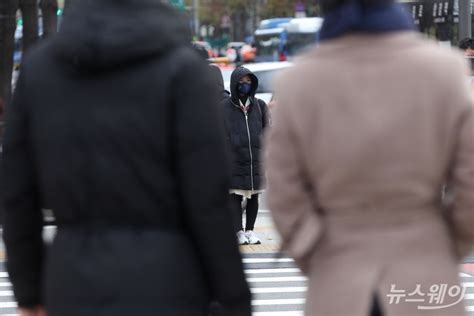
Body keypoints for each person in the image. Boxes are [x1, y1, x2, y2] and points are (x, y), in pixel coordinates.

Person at [1, 1, 251, 316]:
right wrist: (234, 298)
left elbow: (17, 195)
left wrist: (27, 292)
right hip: (169, 283)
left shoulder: (40, 71)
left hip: (72, 283)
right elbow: (210, 200)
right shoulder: (183, 71)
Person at [265, 0, 474, 316]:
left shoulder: (301, 81)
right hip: (423, 260)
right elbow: (470, 180)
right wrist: (446, 247)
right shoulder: (443, 71)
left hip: (338, 265)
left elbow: (283, 190)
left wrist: (312, 249)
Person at [222, 67, 270, 245]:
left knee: (254, 196)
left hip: (254, 159)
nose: (245, 85)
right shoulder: (224, 108)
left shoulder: (259, 106)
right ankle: (238, 232)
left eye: (249, 82)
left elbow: (268, 130)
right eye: (242, 82)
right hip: (234, 159)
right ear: (235, 84)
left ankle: (250, 230)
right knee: (235, 196)